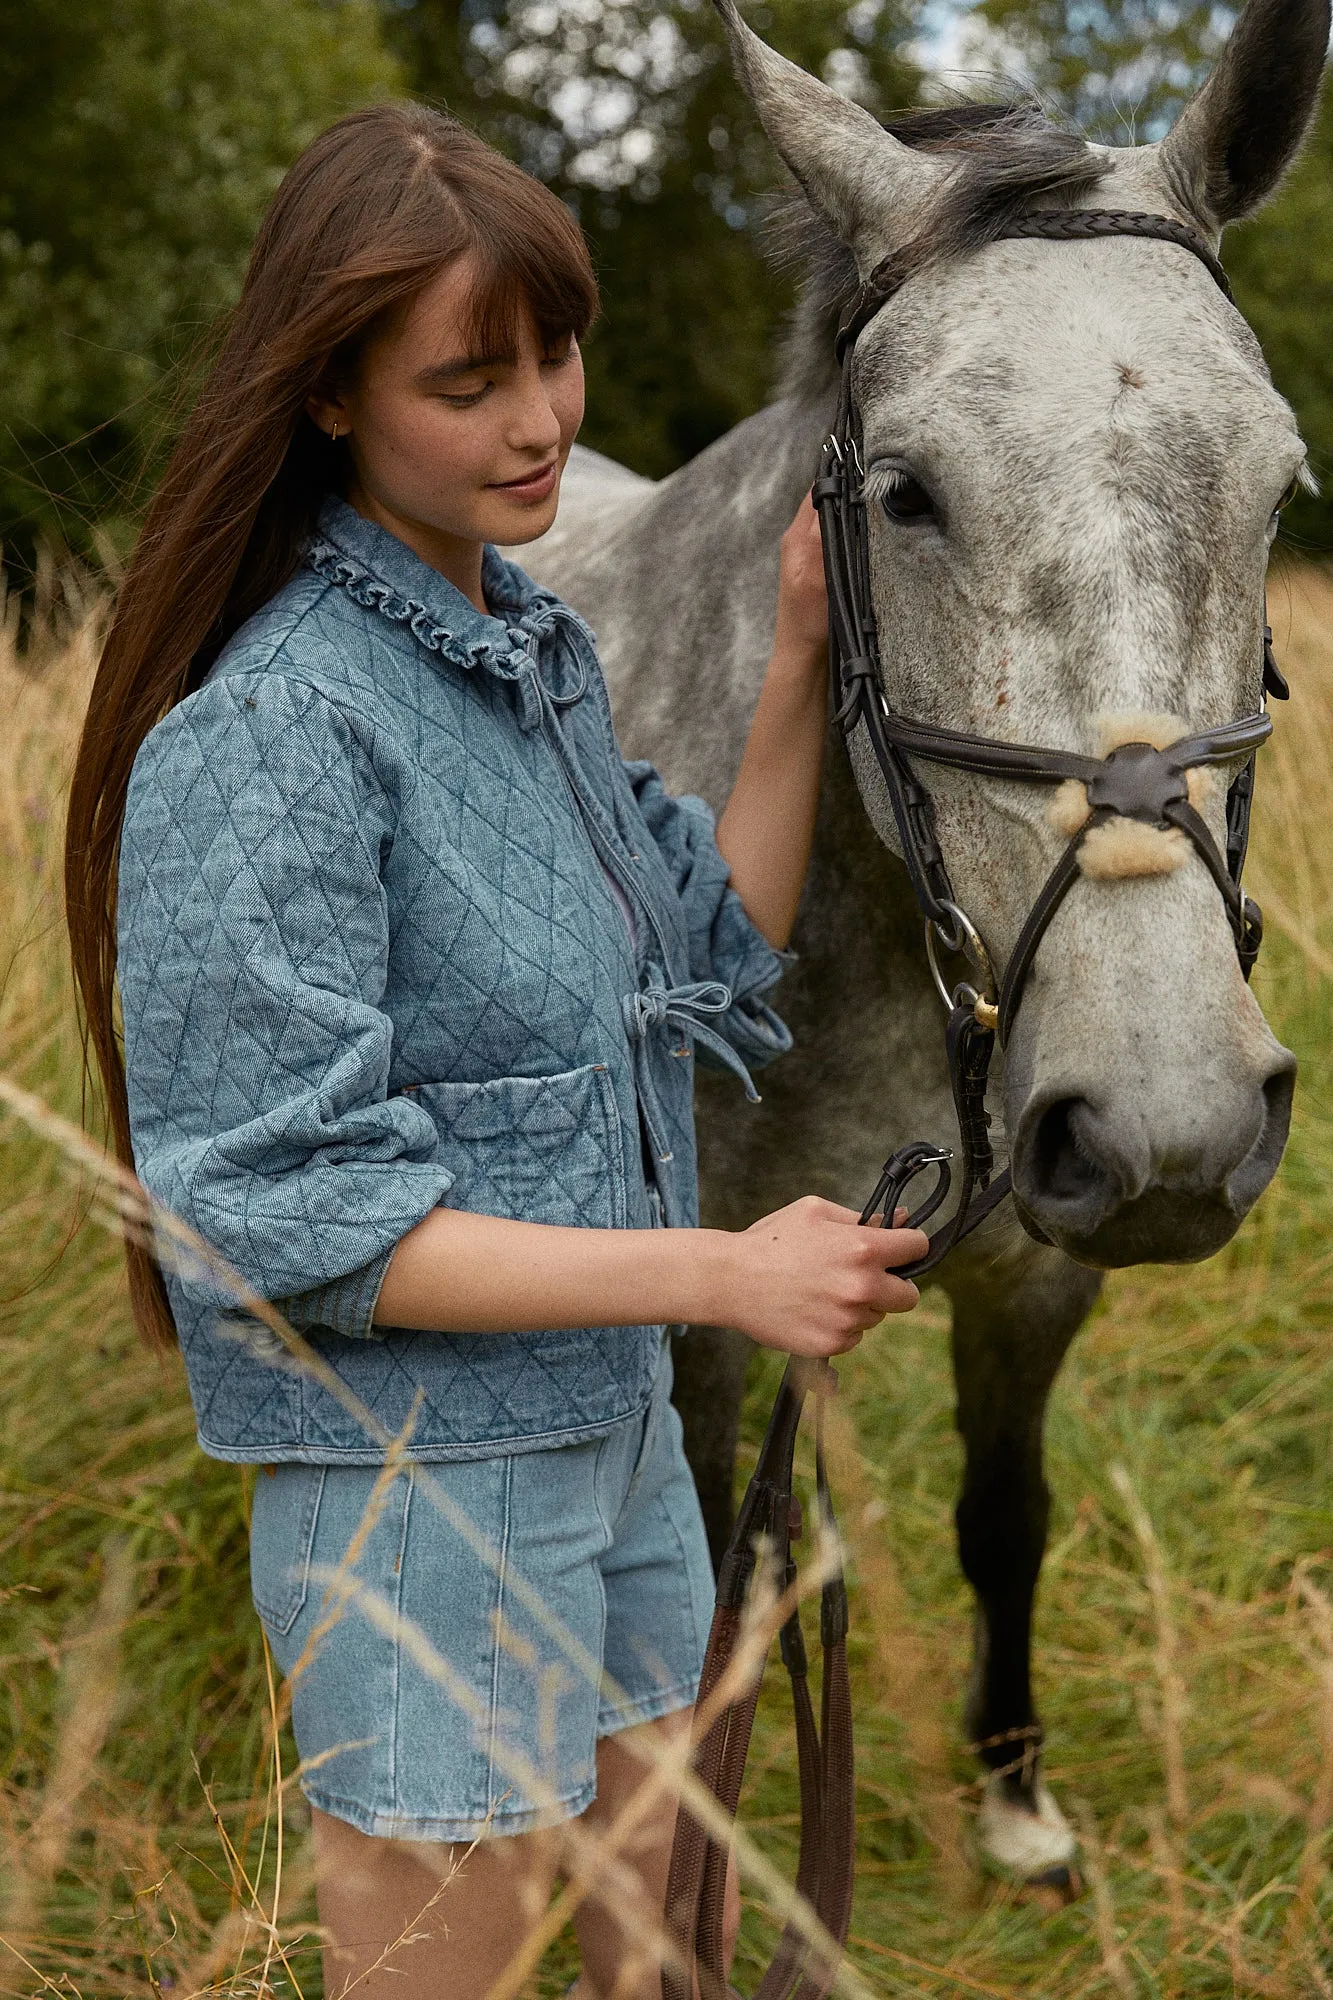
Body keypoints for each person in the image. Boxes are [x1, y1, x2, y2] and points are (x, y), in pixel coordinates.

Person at [64, 102, 927, 2000]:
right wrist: (724, 1268)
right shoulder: (274, 732)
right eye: (472, 379)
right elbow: (298, 1216)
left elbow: (711, 959)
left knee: (656, 1968)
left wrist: (792, 661)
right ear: (328, 400)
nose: (544, 418)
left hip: (618, 1449)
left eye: (557, 352)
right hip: (419, 1503)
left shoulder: (522, 656)